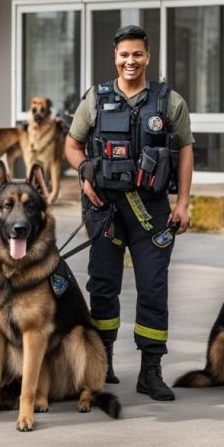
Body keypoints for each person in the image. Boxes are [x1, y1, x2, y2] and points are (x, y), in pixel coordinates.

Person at [63, 25, 194, 401]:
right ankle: (101, 364)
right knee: (103, 285)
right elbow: (72, 146)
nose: (130, 61)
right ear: (114, 57)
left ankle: (150, 371)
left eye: (137, 54)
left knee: (154, 286)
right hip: (104, 208)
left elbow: (185, 151)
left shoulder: (169, 102)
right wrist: (85, 171)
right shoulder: (95, 98)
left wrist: (183, 203)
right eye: (124, 54)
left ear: (147, 57)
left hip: (151, 210)